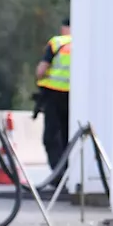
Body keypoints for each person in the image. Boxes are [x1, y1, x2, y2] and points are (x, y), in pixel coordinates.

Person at [35, 18, 72, 185]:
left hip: (54, 95)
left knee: (51, 136)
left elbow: (41, 71)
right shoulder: (86, 43)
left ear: (64, 28)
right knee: (68, 136)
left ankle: (58, 175)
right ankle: (69, 174)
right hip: (74, 97)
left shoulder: (56, 43)